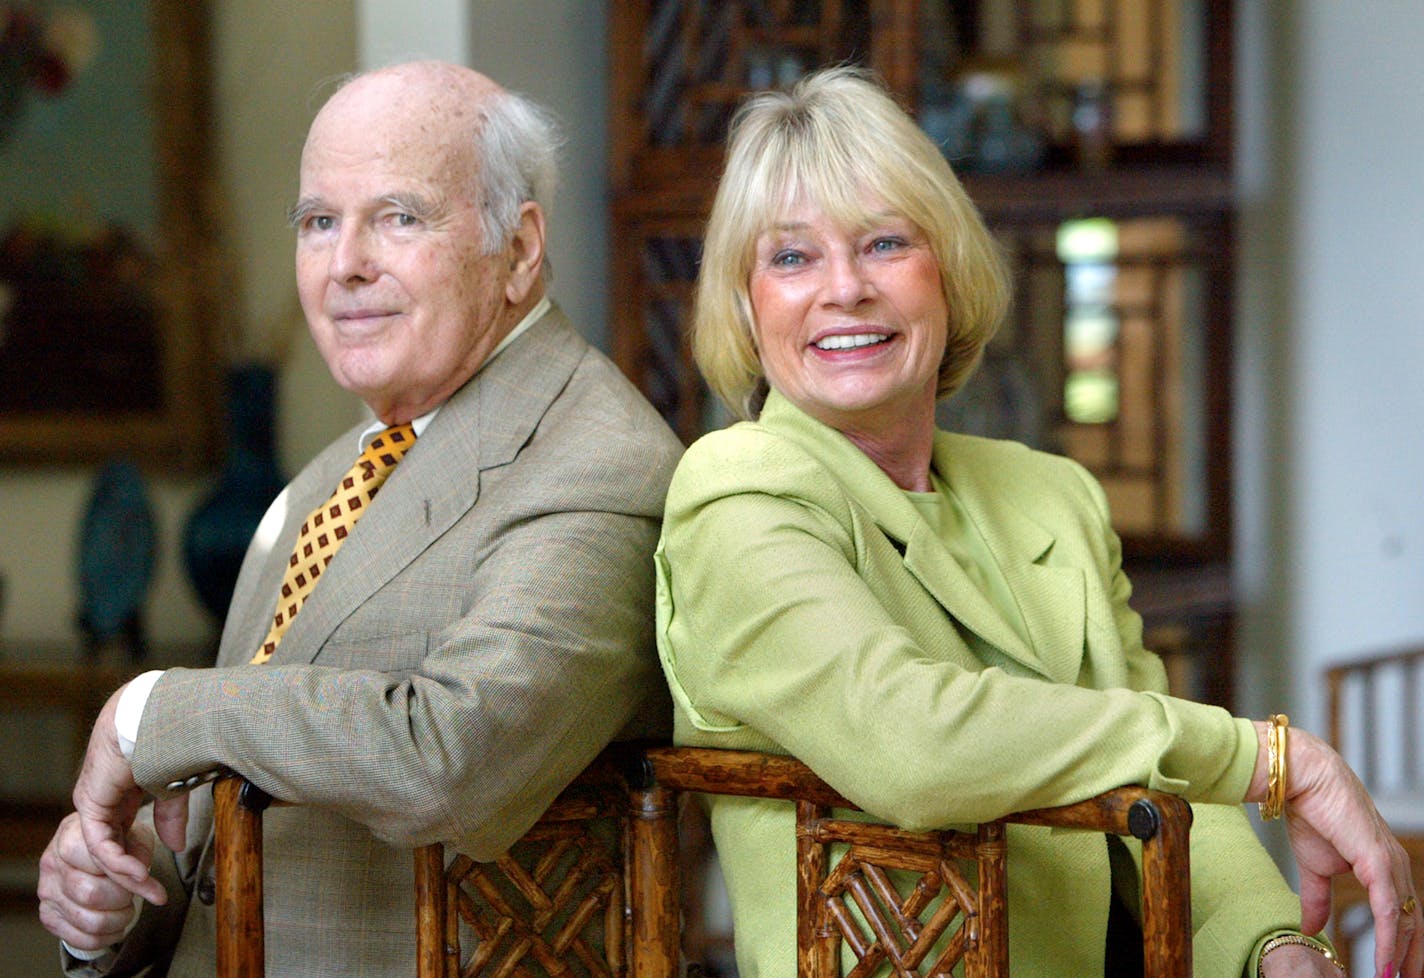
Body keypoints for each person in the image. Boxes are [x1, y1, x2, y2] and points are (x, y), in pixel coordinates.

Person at [654, 66, 1421, 978]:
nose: (846, 288)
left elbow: (1166, 787)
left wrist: (1273, 950)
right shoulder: (734, 495)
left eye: (886, 242)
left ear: (951, 271)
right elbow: (918, 745)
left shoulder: (1049, 493)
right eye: (791, 257)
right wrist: (1270, 758)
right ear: (746, 304)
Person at [38, 60, 683, 976]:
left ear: (522, 248)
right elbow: (229, 834)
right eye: (319, 222)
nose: (346, 265)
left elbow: (449, 761)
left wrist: (151, 712)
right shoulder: (321, 482)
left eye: (399, 217)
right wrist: (113, 899)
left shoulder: (597, 460)